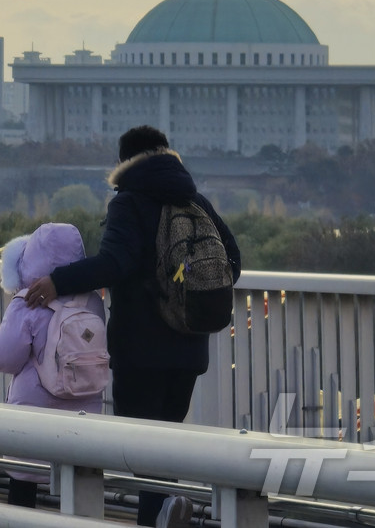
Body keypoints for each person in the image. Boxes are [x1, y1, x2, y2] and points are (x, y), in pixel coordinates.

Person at [24, 125, 240, 527]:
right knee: (165, 444)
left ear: (125, 161)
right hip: (190, 349)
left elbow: (115, 263)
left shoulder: (129, 202)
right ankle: (165, 509)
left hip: (141, 349)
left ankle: (157, 514)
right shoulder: (194, 200)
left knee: (140, 450)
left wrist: (58, 280)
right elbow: (233, 261)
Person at [0, 223, 108, 508]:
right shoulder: (92, 300)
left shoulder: (27, 301)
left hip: (34, 411)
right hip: (84, 408)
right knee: (77, 488)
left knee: (23, 487)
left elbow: (3, 358)